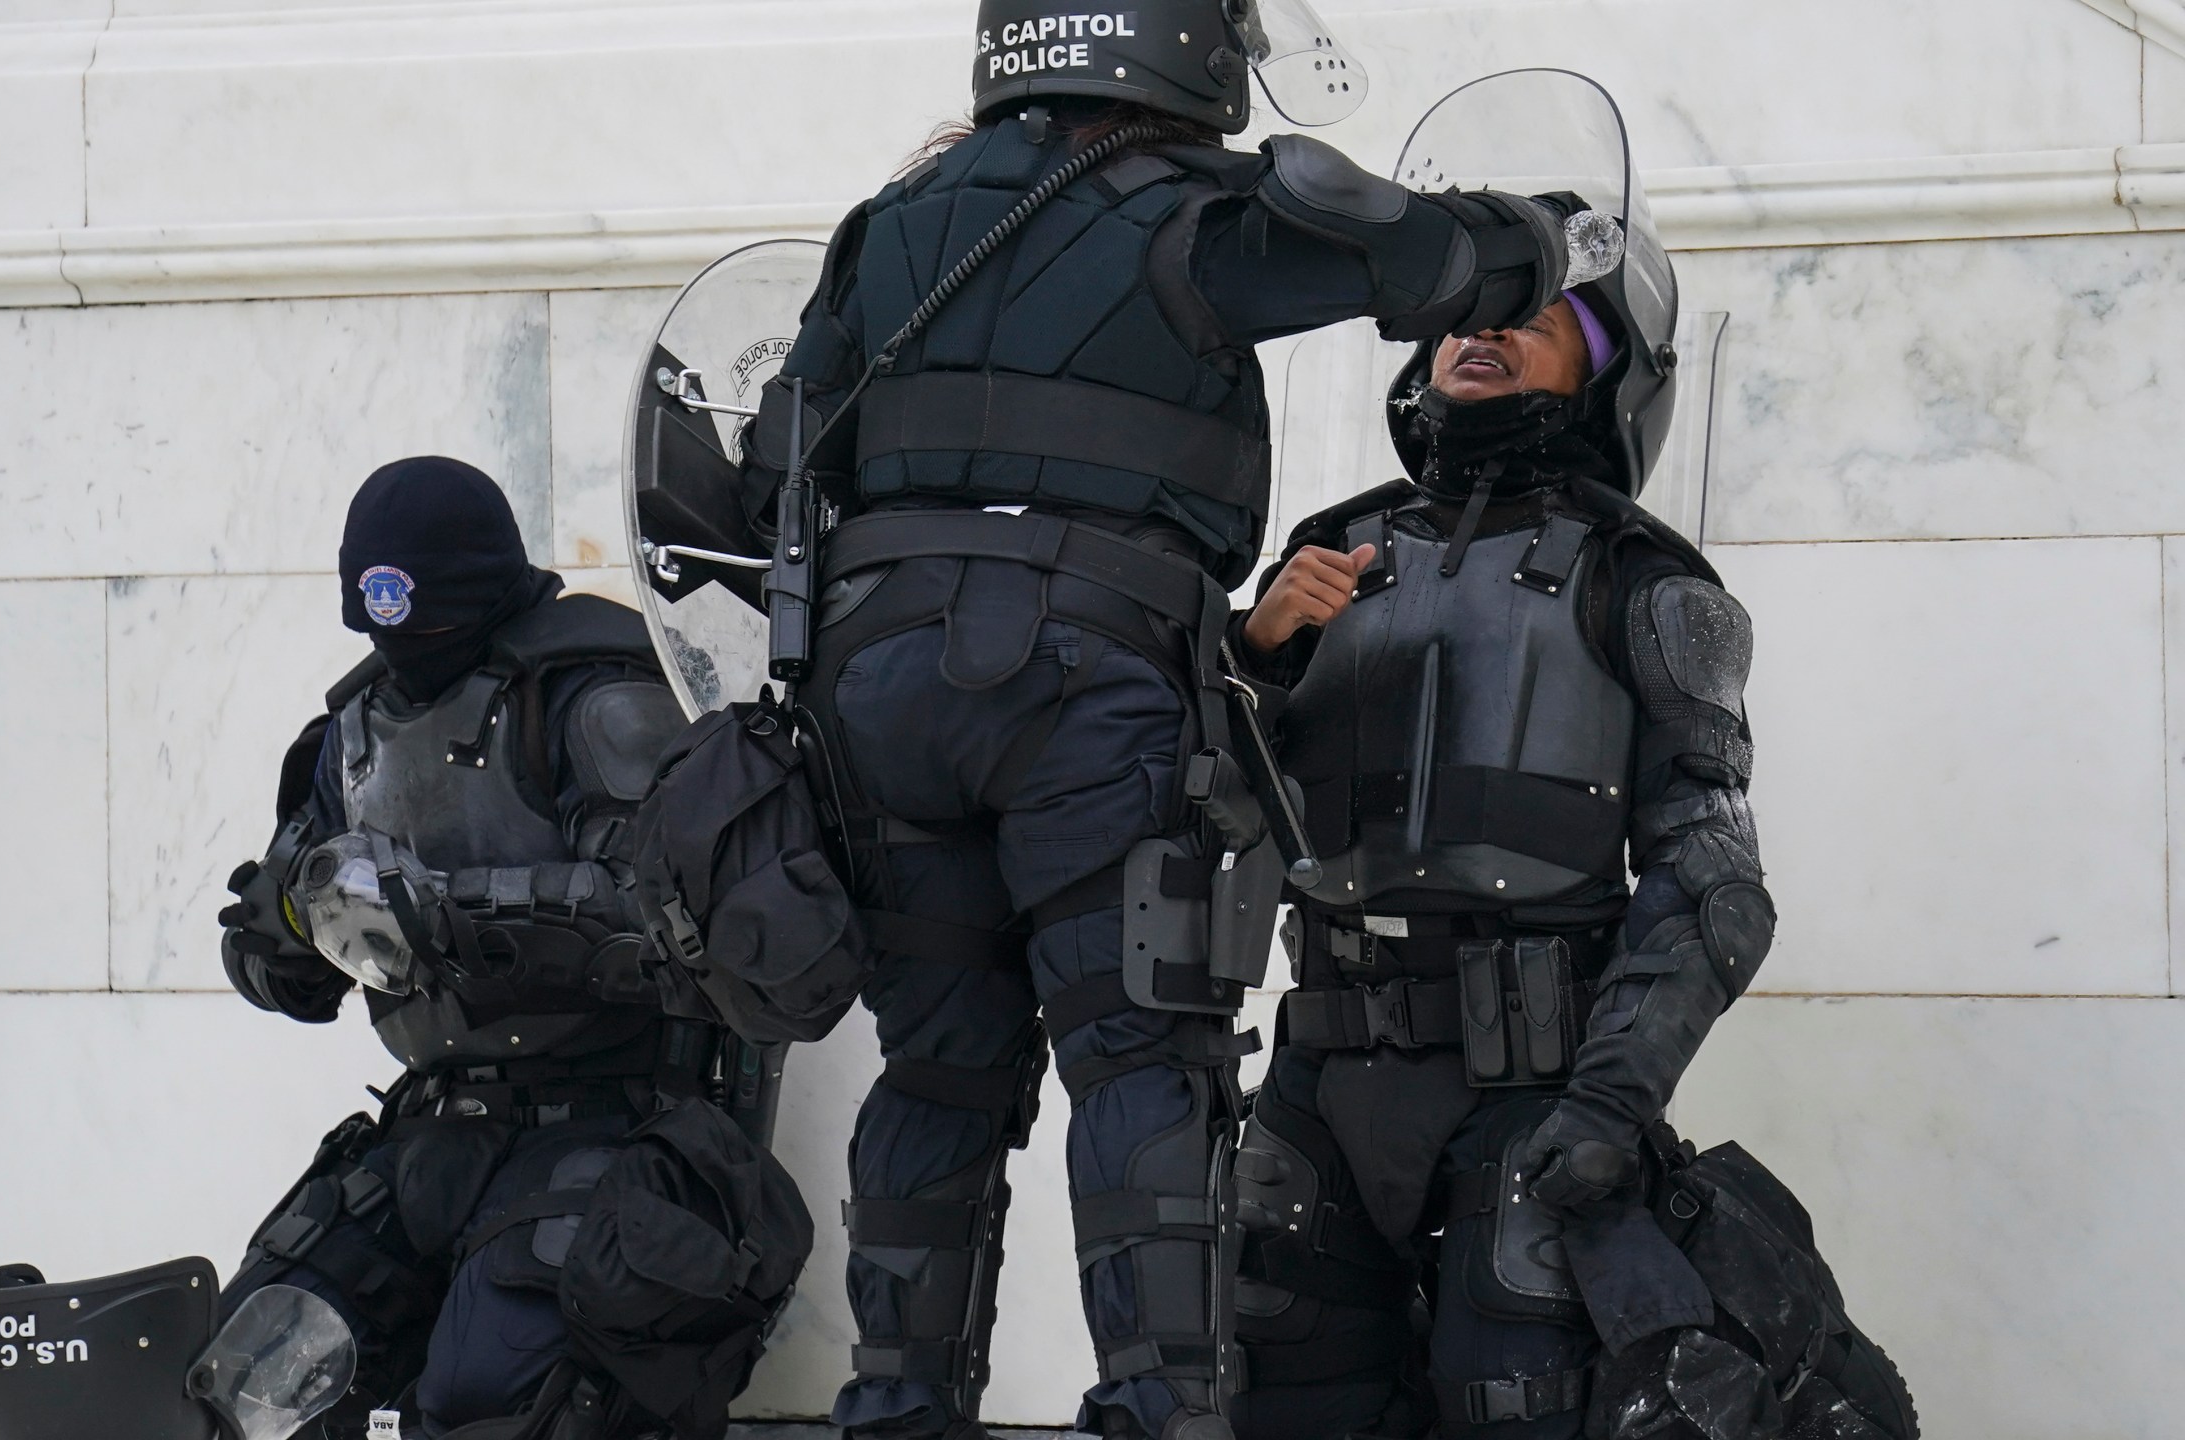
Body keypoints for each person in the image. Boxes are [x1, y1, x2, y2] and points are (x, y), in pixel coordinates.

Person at [707, 7, 1600, 1440]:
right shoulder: (1192, 214)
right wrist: (1532, 239)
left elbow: (767, 468)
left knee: (935, 1068)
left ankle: (894, 1412)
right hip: (1082, 680)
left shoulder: (893, 223)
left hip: (880, 698)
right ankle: (1160, 1414)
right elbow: (1446, 266)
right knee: (1139, 1059)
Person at [1227, 247, 1912, 1436]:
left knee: (1516, 1403)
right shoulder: (1326, 555)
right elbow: (1194, 813)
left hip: (1529, 1095)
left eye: (1534, 318)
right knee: (1280, 1403)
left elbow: (1713, 891)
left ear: (1607, 372)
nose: (1480, 334)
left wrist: (1603, 1110)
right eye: (1464, 315)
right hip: (1315, 1083)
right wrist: (1253, 654)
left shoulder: (1644, 580)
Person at [211, 456, 796, 1440]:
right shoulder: (350, 732)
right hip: (431, 1128)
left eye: (428, 622)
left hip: (610, 1117)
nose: (408, 650)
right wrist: (288, 932)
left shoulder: (591, 698)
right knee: (251, 1384)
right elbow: (290, 974)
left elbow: (679, 927)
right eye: (382, 621)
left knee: (499, 1404)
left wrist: (447, 915)